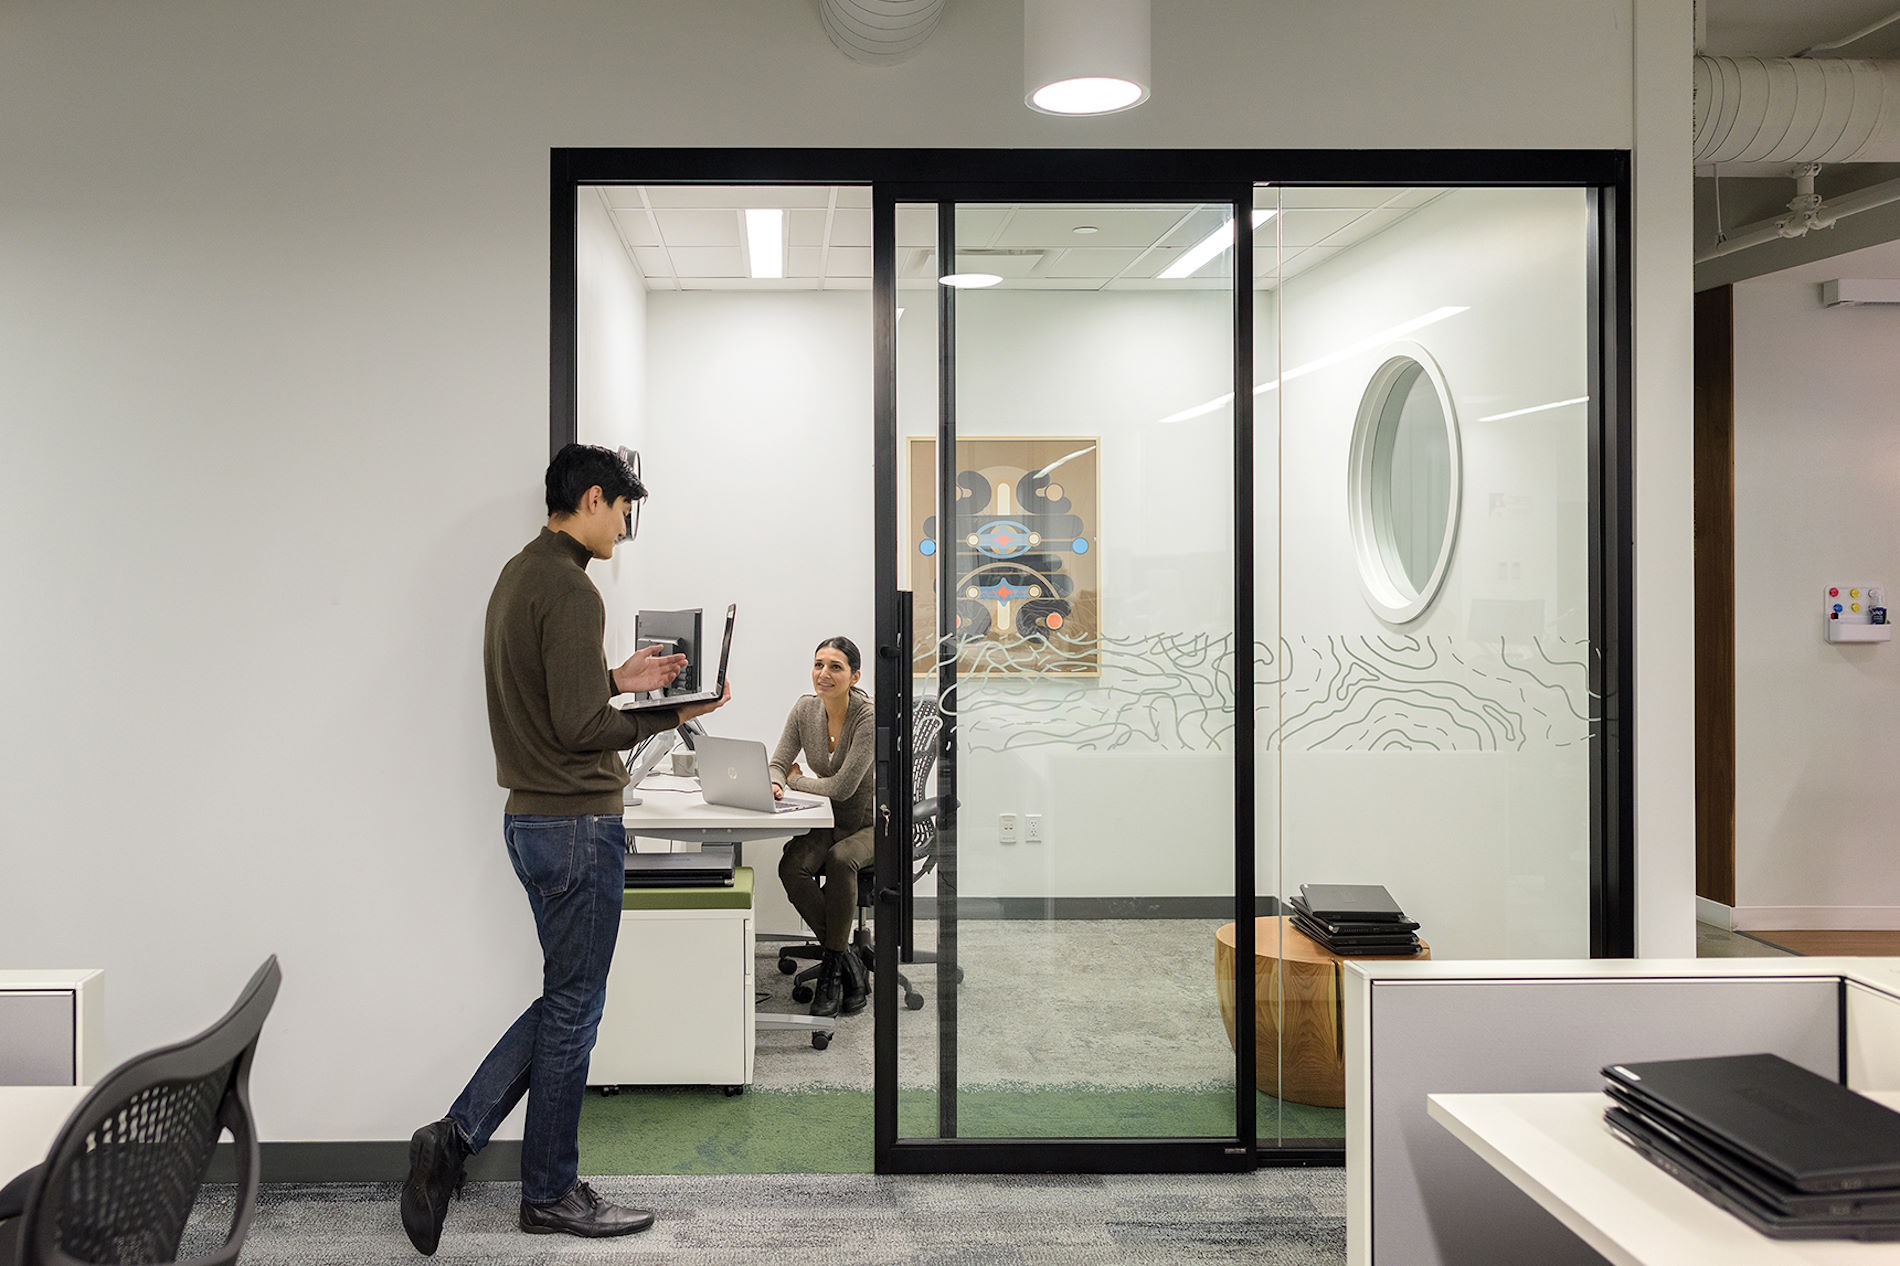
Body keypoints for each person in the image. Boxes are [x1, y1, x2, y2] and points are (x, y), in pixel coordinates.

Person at [400, 444, 730, 1255]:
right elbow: (582, 729)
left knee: (566, 1001)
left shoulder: (519, 576)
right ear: (592, 499)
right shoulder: (574, 590)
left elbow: (559, 700)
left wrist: (619, 678)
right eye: (623, 511)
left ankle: (453, 1139)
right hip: (576, 825)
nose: (624, 528)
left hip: (532, 820)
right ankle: (545, 1191)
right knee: (575, 1009)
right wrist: (676, 711)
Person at [771, 636, 875, 1019]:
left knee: (840, 860)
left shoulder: (867, 718)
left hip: (871, 821)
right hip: (829, 818)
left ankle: (831, 972)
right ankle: (847, 959)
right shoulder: (805, 709)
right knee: (792, 865)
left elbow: (843, 788)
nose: (824, 674)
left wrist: (794, 781)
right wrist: (776, 780)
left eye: (835, 667)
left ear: (854, 676)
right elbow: (778, 761)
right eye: (819, 664)